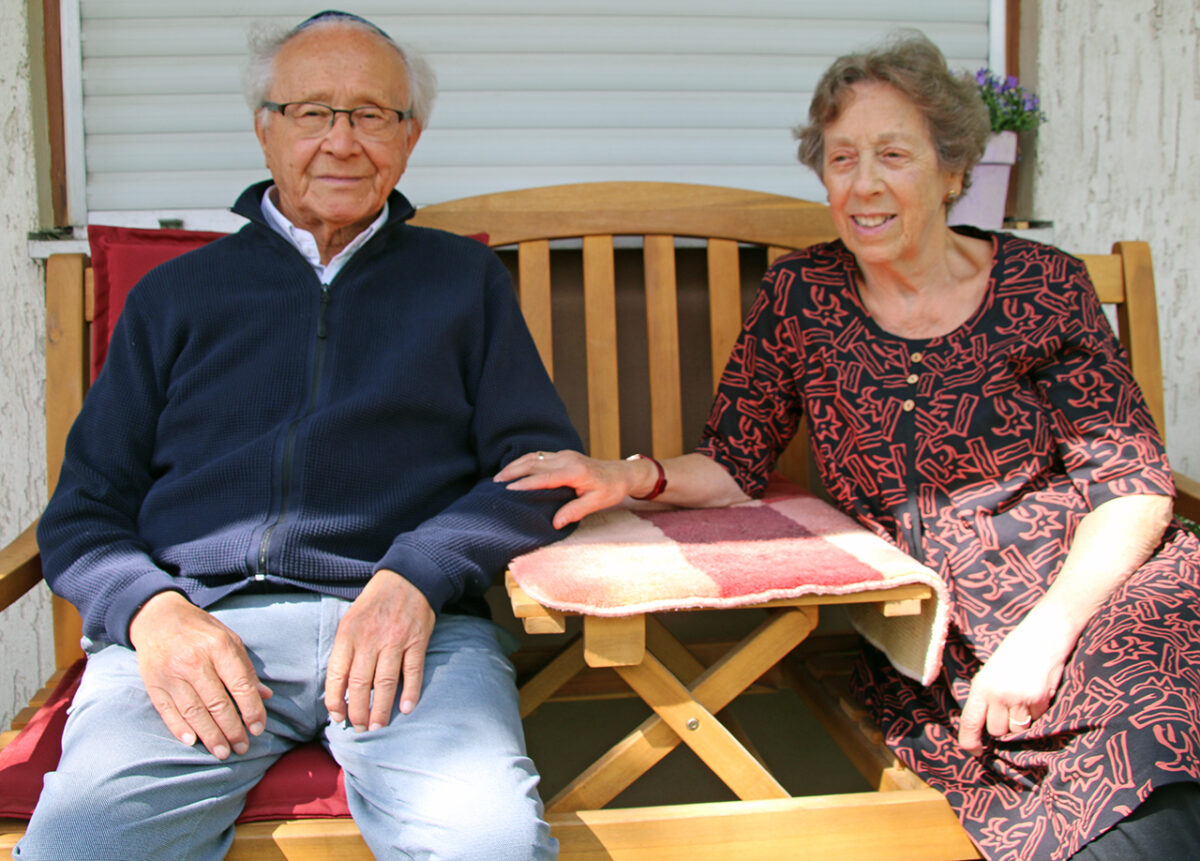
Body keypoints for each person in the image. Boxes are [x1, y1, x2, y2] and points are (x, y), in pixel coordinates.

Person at [497, 32, 1200, 861]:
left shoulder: (1043, 285)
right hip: (941, 628)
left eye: (893, 155)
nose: (863, 184)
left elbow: (1132, 483)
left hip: (1102, 589)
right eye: (841, 159)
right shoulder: (803, 296)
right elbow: (733, 463)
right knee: (1116, 783)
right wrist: (622, 474)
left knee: (1149, 725)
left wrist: (1049, 634)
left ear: (952, 170)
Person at [19, 10, 578, 861]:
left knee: (488, 845)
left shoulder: (463, 282)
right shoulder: (175, 296)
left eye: (371, 114)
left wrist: (419, 574)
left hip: (407, 629)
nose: (341, 141)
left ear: (410, 137)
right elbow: (83, 511)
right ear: (265, 128)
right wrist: (151, 613)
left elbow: (539, 471)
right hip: (200, 627)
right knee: (81, 848)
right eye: (313, 112)